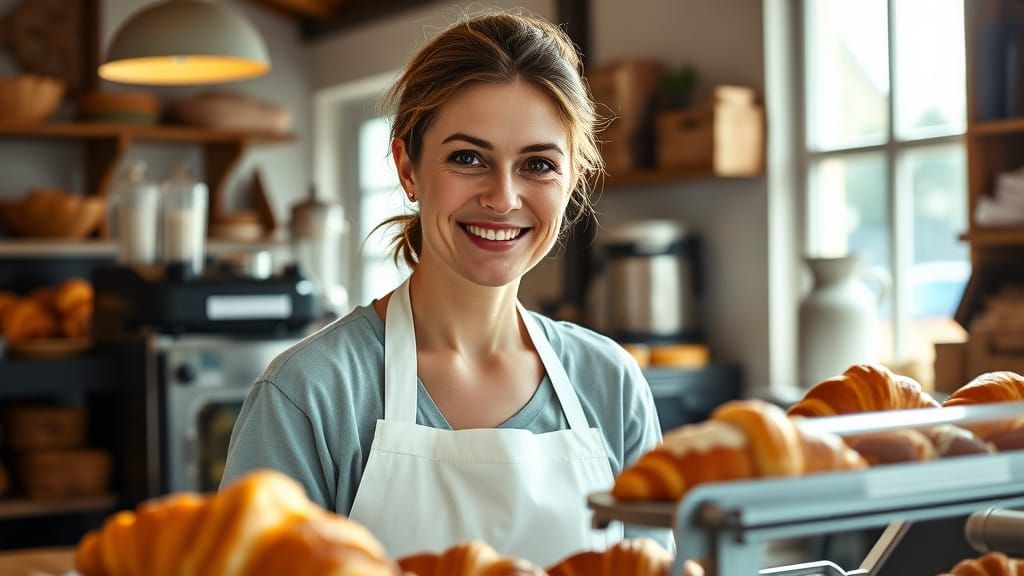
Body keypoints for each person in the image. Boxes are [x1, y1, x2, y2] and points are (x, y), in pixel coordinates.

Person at [221, 10, 669, 566]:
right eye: (468, 158)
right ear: (407, 167)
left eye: (538, 164)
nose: (503, 197)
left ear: (573, 178)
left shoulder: (610, 385)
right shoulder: (311, 393)